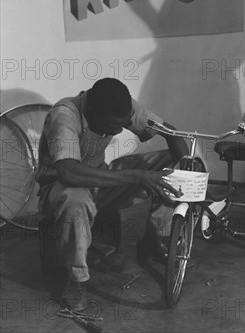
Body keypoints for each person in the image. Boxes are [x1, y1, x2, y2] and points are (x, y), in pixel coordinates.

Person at [36, 78, 188, 312]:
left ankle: (152, 238)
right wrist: (137, 176)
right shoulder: (64, 115)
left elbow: (172, 133)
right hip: (60, 189)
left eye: (124, 123)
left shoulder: (121, 106)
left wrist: (184, 166)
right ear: (92, 111)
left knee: (169, 164)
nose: (120, 130)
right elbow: (68, 173)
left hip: (100, 180)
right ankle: (75, 282)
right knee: (76, 200)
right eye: (114, 126)